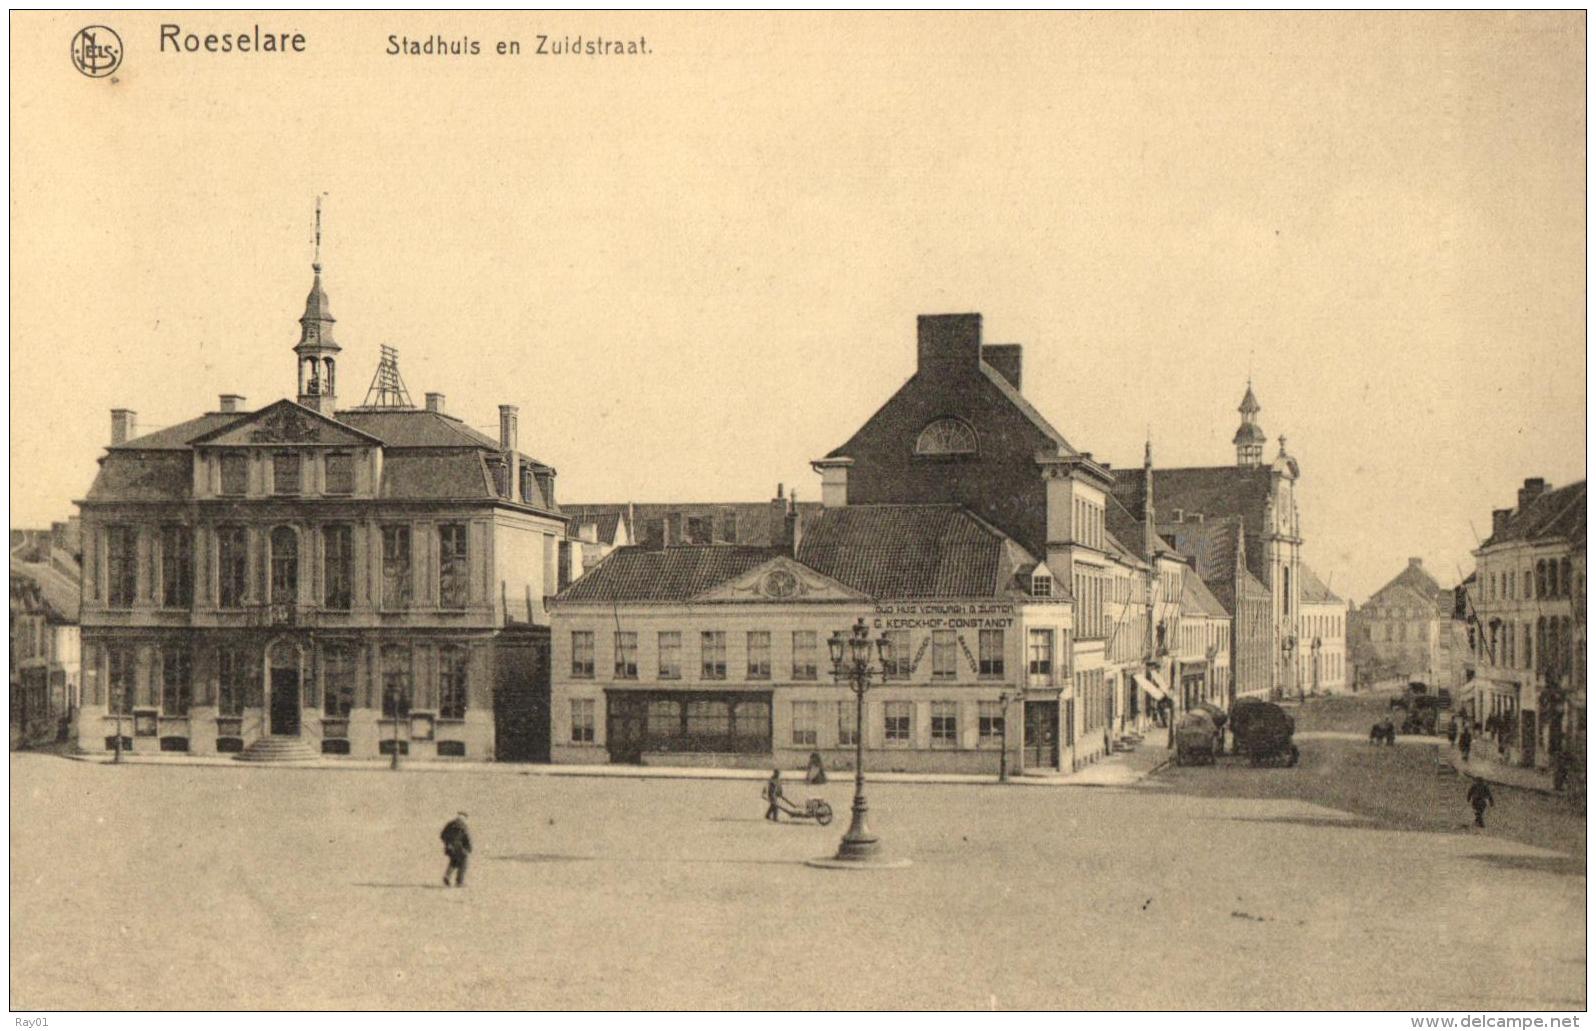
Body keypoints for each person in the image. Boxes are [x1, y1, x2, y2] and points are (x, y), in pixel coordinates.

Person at [440, 811, 472, 888]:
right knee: (464, 863)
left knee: (454, 861)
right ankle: (459, 882)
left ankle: (447, 876)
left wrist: (447, 843)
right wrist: (469, 848)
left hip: (449, 847)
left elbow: (442, 835)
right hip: (459, 848)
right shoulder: (463, 826)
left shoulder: (450, 824)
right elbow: (467, 838)